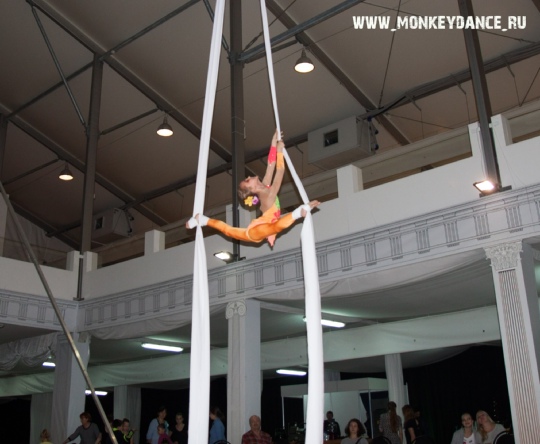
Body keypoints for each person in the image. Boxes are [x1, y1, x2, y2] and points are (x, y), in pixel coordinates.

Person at [186, 129, 320, 247]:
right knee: (228, 230)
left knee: (227, 230)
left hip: (257, 230)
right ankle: (201, 219)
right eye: (247, 180)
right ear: (253, 189)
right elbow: (280, 171)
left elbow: (271, 165)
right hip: (259, 231)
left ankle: (201, 220)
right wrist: (298, 213)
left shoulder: (265, 186)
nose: (248, 176)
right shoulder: (269, 196)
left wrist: (273, 144)